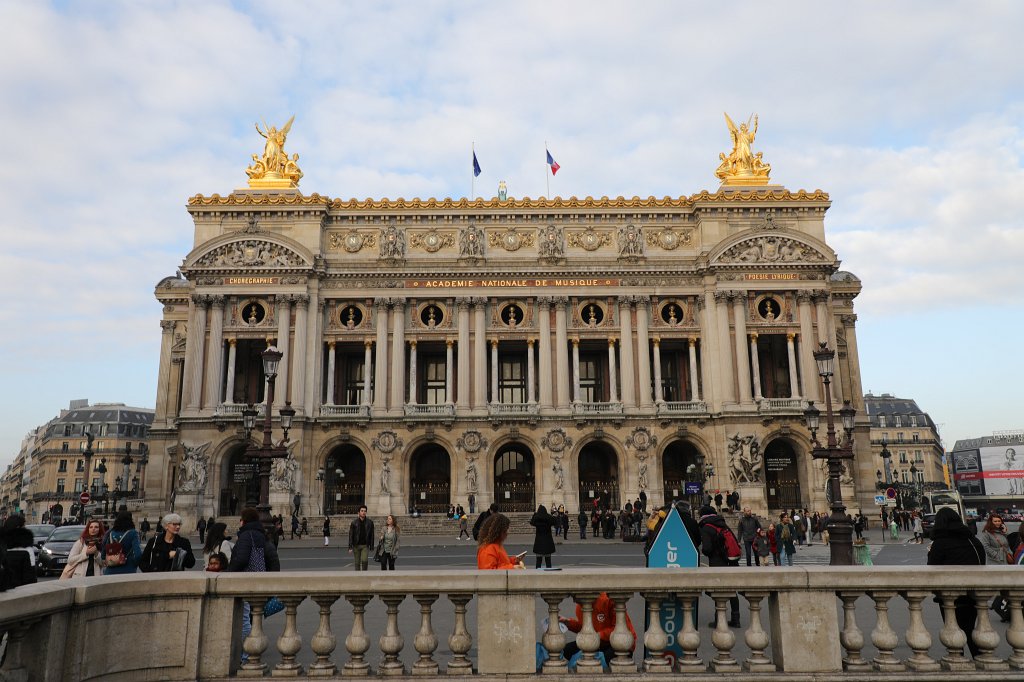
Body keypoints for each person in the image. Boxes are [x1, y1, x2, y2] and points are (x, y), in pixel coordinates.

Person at [927, 507, 985, 657]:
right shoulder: (973, 540)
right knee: (972, 632)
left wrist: (930, 553)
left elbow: (932, 568)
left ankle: (958, 663)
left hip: (949, 596)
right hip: (973, 594)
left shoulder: (940, 543)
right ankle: (981, 661)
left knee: (953, 632)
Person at [227, 507, 281, 665]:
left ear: (243, 521)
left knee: (245, 619)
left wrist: (229, 572)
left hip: (245, 581)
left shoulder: (246, 536)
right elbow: (273, 558)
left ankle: (248, 654)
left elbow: (241, 559)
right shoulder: (262, 536)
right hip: (259, 582)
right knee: (252, 618)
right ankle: (251, 650)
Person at [559, 592, 636, 664]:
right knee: (567, 649)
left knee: (608, 657)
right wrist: (568, 623)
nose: (574, 601)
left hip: (619, 643)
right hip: (597, 642)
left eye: (575, 597)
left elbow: (620, 630)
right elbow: (584, 628)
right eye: (573, 597)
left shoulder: (608, 601)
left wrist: (599, 635)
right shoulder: (579, 607)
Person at [697, 505, 740, 627]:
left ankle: (719, 619)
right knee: (732, 590)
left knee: (718, 590)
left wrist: (707, 553)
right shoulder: (722, 523)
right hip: (731, 559)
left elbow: (707, 548)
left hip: (717, 561)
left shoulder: (706, 527)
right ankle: (736, 618)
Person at [980, 513, 1012, 621]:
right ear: (991, 522)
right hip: (995, 562)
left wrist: (1005, 533)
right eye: (995, 521)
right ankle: (997, 604)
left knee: (1005, 585)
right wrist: (996, 555)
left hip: (1005, 562)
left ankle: (1000, 606)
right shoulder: (987, 534)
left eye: (999, 521)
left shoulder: (1002, 533)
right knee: (999, 585)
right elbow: (985, 546)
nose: (998, 523)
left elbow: (1007, 545)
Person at [102, 511, 142, 575]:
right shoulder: (133, 533)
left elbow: (104, 552)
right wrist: (134, 564)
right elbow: (138, 554)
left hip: (110, 569)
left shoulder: (111, 533)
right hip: (128, 569)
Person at [530, 504, 557, 569]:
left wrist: (535, 514)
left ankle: (537, 573)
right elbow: (555, 521)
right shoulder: (548, 518)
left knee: (538, 561)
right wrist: (548, 515)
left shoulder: (537, 519)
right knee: (548, 561)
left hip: (539, 542)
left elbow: (532, 522)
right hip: (548, 541)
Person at [348, 505, 374, 571]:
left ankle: (364, 575)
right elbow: (351, 535)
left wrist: (371, 546)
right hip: (356, 545)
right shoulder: (354, 523)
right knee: (357, 562)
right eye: (362, 511)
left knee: (364, 560)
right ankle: (358, 576)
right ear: (359, 512)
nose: (363, 512)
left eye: (365, 511)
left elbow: (372, 535)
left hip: (365, 545)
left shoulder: (370, 522)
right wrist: (350, 546)